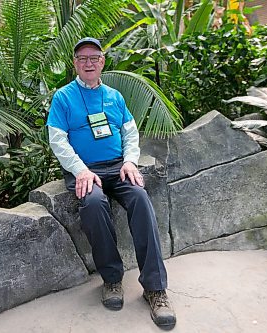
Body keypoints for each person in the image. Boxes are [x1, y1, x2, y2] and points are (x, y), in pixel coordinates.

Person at [47, 37, 176, 329]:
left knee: (141, 199)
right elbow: (57, 139)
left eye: (94, 57)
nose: (89, 63)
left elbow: (130, 133)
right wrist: (80, 170)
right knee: (92, 203)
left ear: (103, 61)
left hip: (118, 166)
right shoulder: (63, 97)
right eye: (82, 58)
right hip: (85, 170)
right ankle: (112, 279)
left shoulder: (115, 96)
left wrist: (130, 161)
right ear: (75, 64)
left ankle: (155, 288)